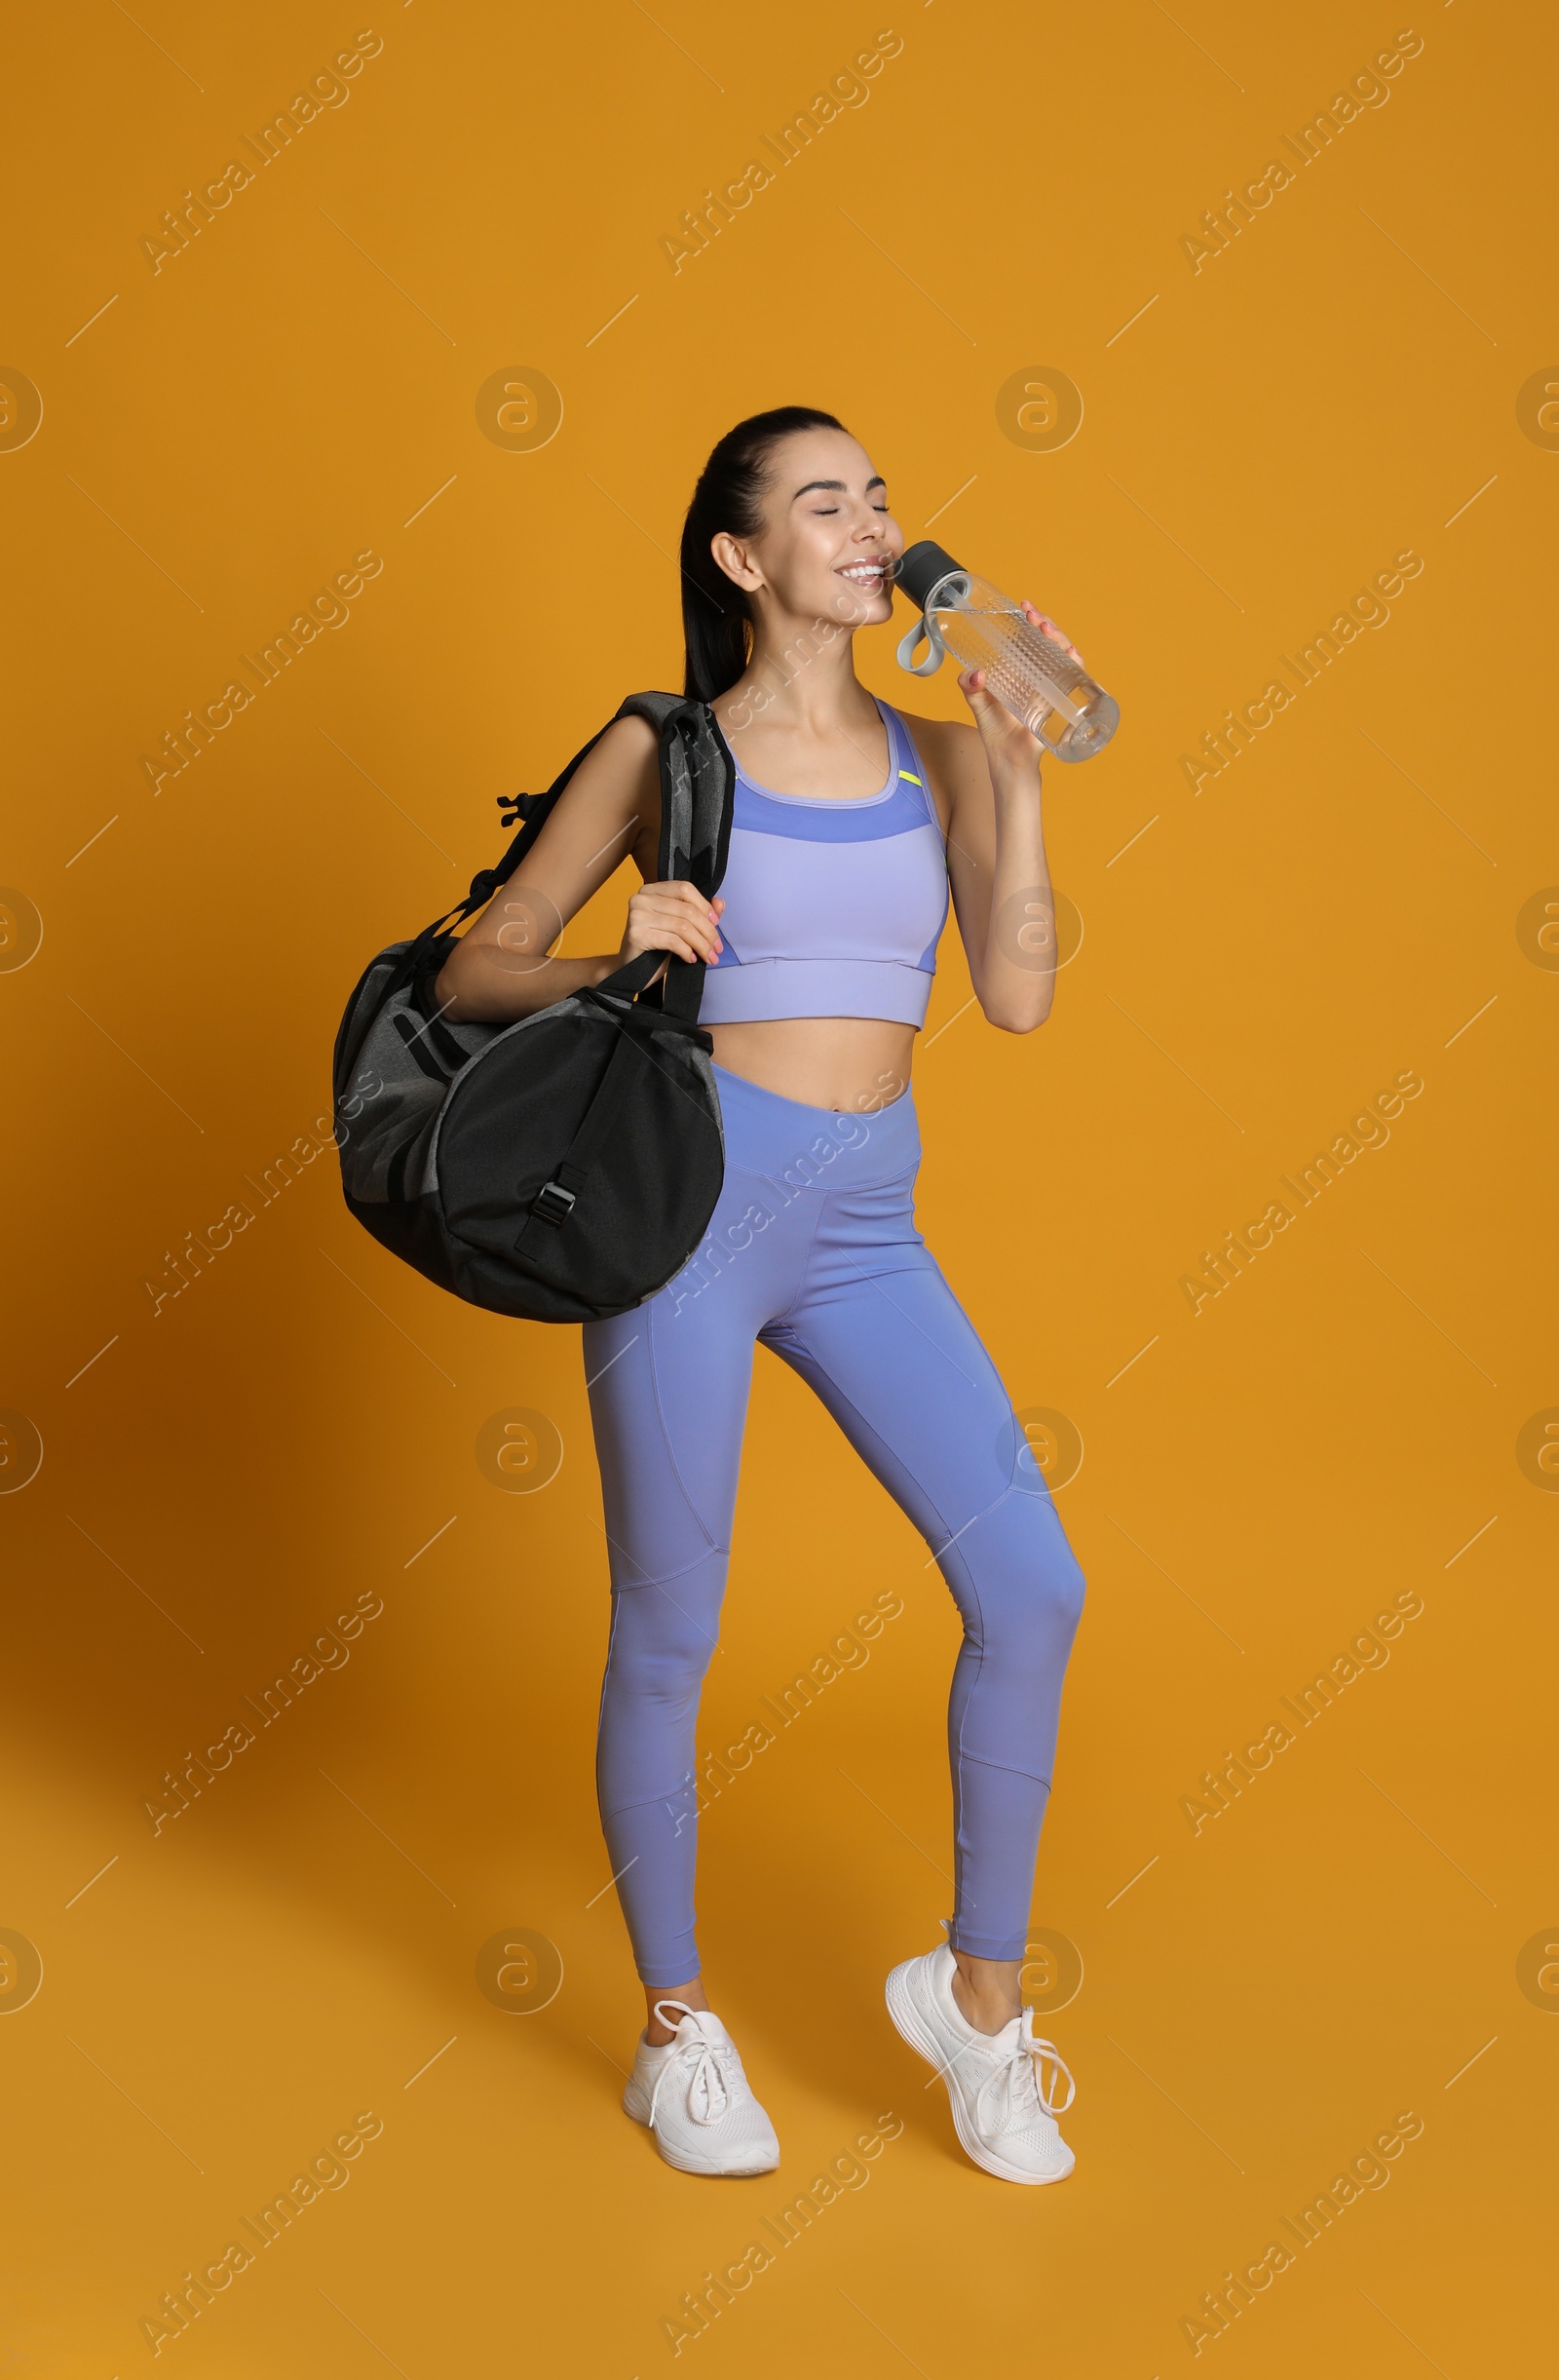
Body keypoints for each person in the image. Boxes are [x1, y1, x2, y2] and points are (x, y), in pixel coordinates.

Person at [435, 406, 1087, 2186]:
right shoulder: (664, 751)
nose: (874, 524)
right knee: (673, 1626)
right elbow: (475, 965)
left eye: (882, 495)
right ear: (745, 561)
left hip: (868, 1214)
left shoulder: (941, 753)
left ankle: (981, 2003)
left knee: (1033, 1582)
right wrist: (620, 941)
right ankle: (675, 2029)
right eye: (826, 503)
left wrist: (1018, 778)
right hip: (692, 1208)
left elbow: (1018, 1000)